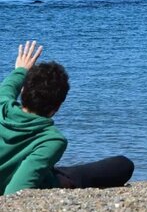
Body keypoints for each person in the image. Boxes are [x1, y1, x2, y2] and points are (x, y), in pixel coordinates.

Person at [0, 41, 134, 195]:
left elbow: (8, 87)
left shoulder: (2, 105)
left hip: (29, 171)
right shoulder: (51, 139)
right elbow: (15, 192)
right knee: (123, 165)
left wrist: (21, 70)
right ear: (56, 108)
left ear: (23, 91)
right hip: (48, 182)